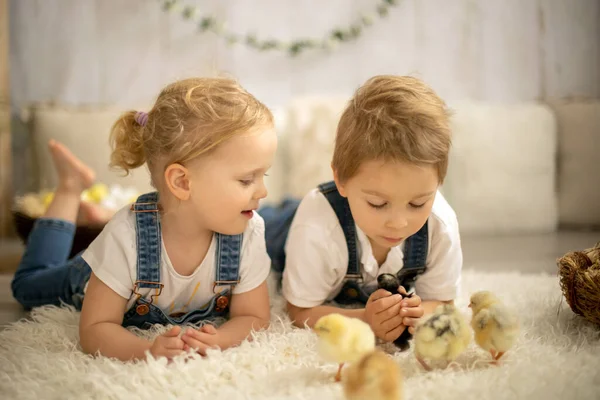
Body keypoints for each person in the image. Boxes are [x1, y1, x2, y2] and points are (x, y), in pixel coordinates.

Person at [12, 77, 277, 361]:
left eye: (264, 175)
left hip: (120, 269)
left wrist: (221, 339)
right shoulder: (126, 236)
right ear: (182, 182)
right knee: (27, 287)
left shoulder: (249, 230)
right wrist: (146, 350)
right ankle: (70, 188)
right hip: (90, 277)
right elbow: (96, 328)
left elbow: (253, 315)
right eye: (247, 179)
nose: (263, 191)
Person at [260, 75, 462, 349]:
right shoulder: (317, 226)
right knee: (257, 226)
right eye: (378, 204)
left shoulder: (441, 223)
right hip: (286, 228)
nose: (398, 223)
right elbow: (299, 312)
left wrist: (417, 312)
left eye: (418, 203)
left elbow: (443, 301)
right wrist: (365, 319)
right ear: (341, 179)